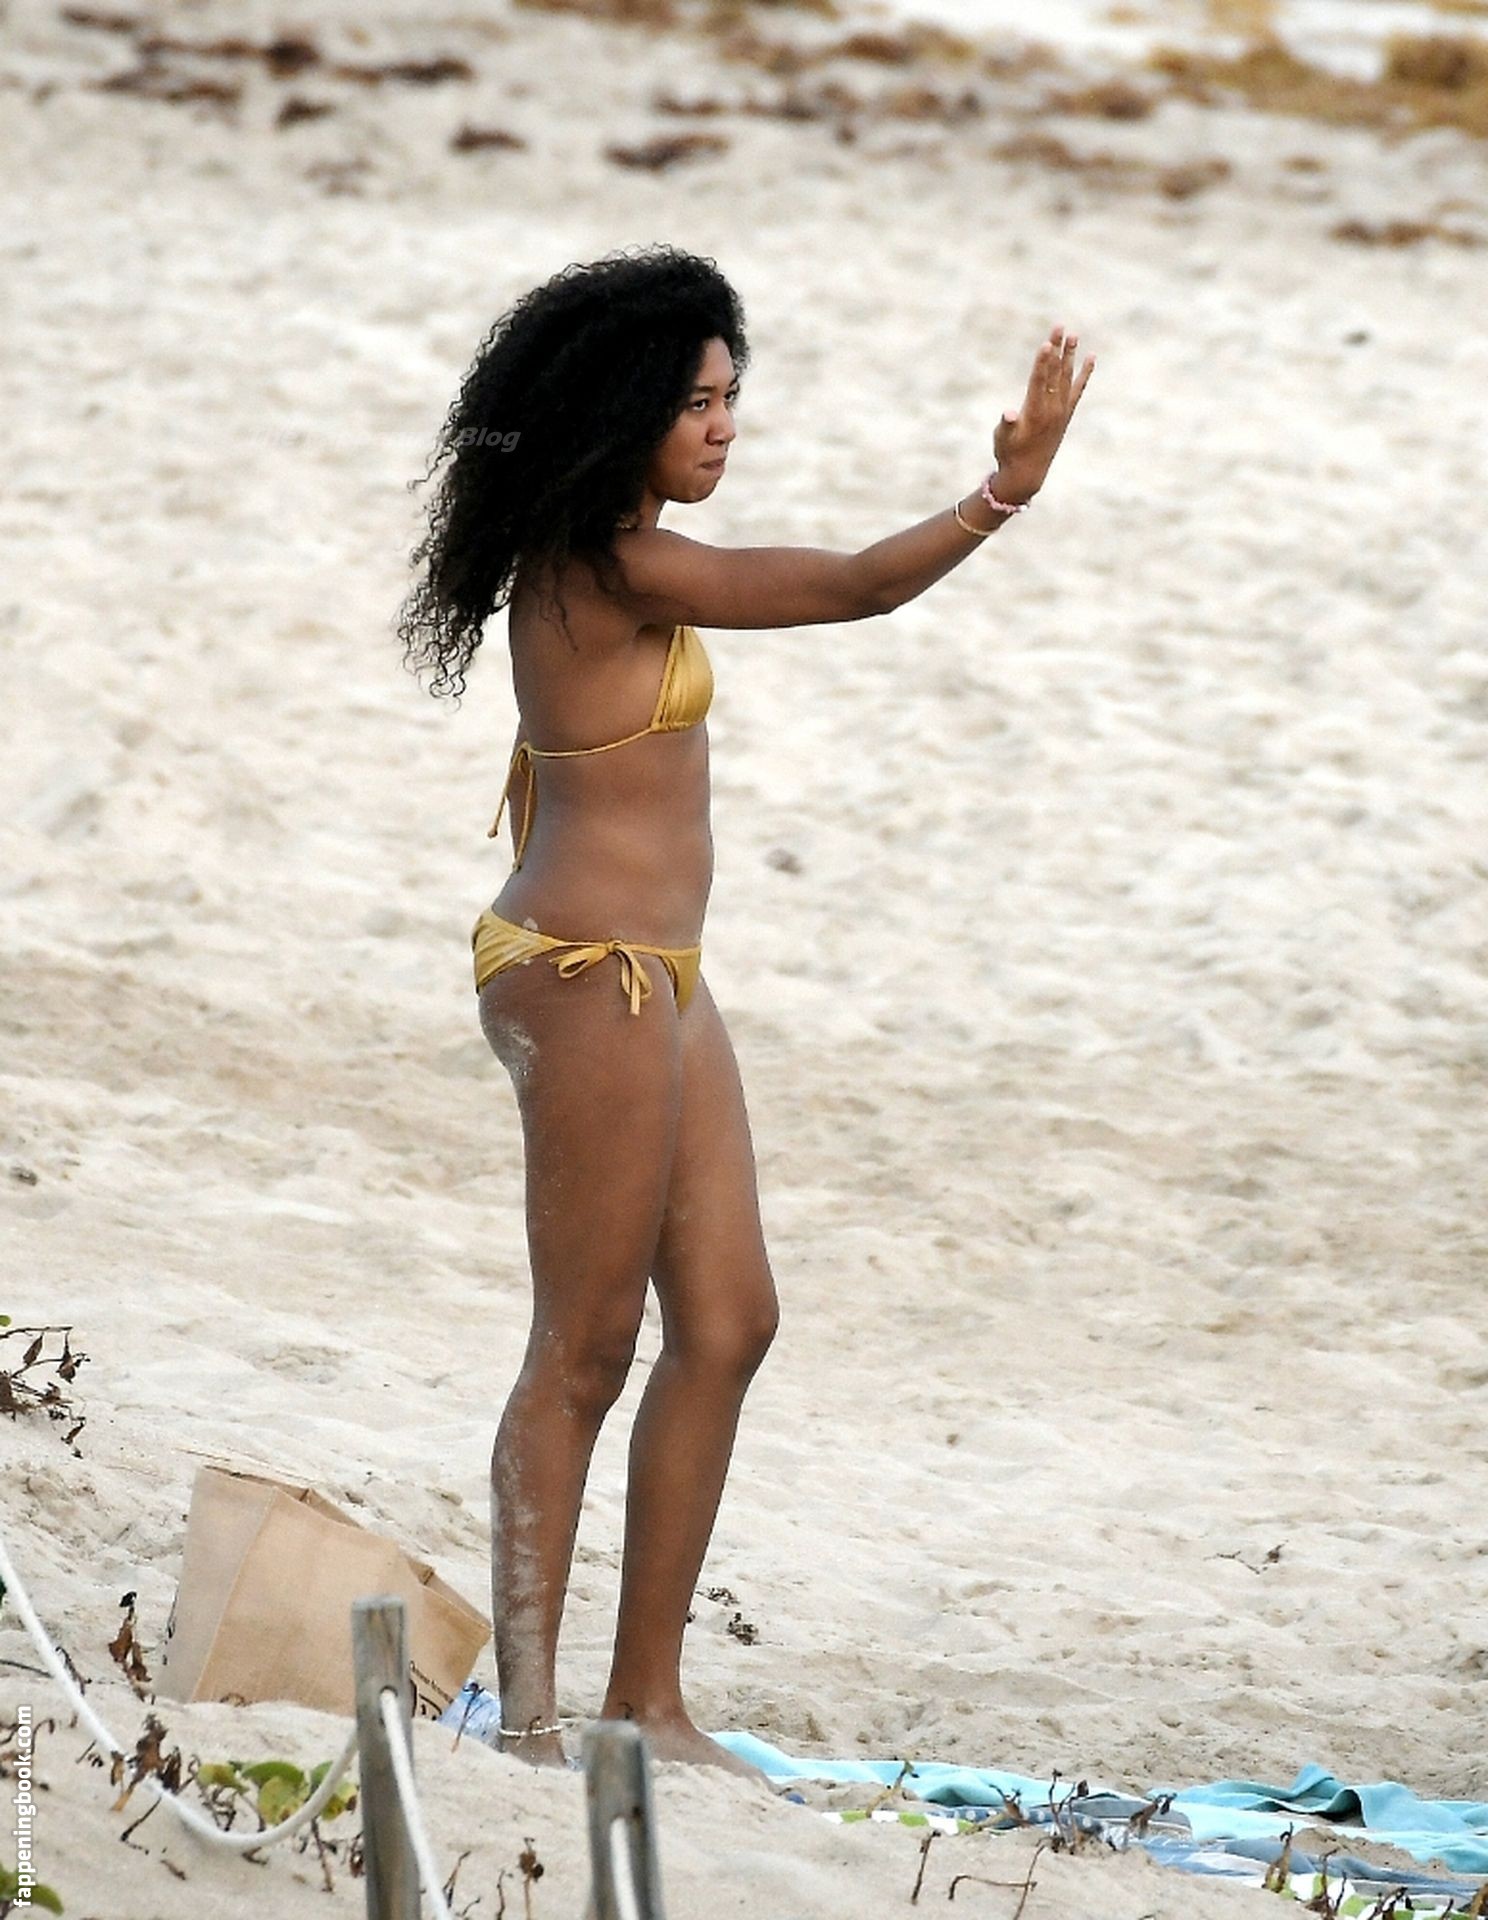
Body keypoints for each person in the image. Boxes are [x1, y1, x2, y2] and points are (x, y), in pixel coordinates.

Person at [396, 245, 1095, 1777]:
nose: (724, 426)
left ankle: (646, 1705)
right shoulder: (605, 563)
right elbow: (852, 587)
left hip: (663, 978)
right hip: (587, 972)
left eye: (731, 396)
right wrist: (1004, 492)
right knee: (586, 1345)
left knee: (727, 1322)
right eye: (696, 402)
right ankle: (530, 1727)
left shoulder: (619, 552)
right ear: (621, 412)